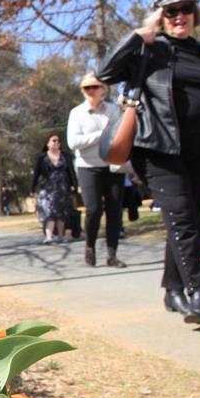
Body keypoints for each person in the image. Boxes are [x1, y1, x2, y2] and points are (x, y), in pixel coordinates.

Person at [97, 0, 200, 325]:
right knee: (183, 220)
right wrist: (136, 37)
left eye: (185, 10)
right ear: (161, 17)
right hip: (158, 149)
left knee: (191, 224)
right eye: (171, 12)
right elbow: (105, 73)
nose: (179, 17)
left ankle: (173, 288)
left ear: (194, 15)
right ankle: (199, 295)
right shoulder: (150, 50)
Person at [66, 72, 127, 267]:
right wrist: (101, 135)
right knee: (93, 209)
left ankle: (112, 254)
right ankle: (90, 246)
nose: (91, 91)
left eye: (95, 87)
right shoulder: (77, 113)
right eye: (87, 88)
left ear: (103, 89)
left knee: (114, 210)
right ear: (83, 91)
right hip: (88, 167)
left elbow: (122, 134)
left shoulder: (114, 110)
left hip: (113, 165)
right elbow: (73, 142)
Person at [31, 132, 77, 244]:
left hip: (63, 188)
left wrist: (75, 186)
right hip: (47, 189)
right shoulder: (42, 157)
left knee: (62, 212)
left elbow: (71, 172)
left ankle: (60, 235)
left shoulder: (66, 156)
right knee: (49, 212)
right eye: (54, 140)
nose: (57, 143)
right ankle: (49, 236)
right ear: (48, 144)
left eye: (58, 141)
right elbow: (36, 174)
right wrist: (32, 188)